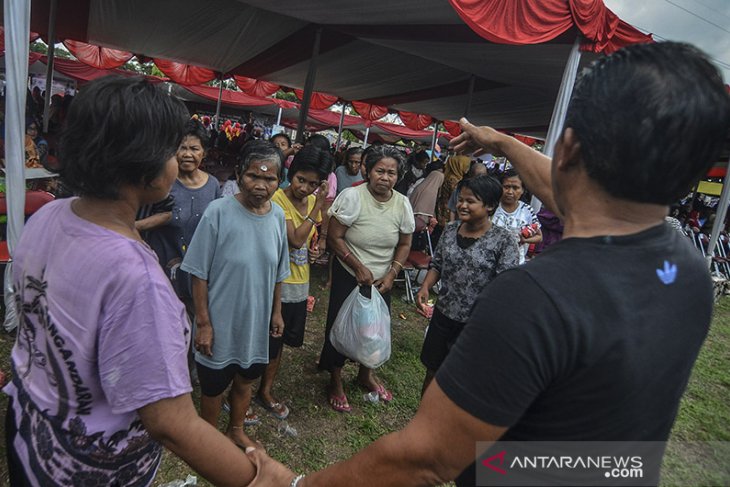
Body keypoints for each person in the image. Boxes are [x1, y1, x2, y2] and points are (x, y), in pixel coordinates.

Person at [244, 41, 730, 487]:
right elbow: (576, 195)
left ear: (569, 148)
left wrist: (298, 485)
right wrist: (499, 143)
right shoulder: (687, 272)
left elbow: (429, 458)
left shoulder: (535, 297)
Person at [3, 76, 257, 486]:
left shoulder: (52, 212)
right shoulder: (135, 278)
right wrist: (264, 477)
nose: (179, 161)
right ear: (146, 165)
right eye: (173, 150)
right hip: (87, 471)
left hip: (29, 429)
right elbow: (170, 423)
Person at [181, 140, 290, 449]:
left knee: (246, 378)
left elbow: (279, 271)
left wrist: (277, 311)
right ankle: (208, 438)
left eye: (269, 179)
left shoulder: (278, 217)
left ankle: (236, 430)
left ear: (278, 180)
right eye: (254, 176)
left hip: (255, 321)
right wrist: (204, 323)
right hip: (219, 319)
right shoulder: (218, 212)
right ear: (240, 174)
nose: (261, 185)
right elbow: (198, 272)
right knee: (214, 385)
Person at [318, 145, 414, 412]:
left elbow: (405, 243)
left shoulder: (402, 203)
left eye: (392, 173)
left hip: (382, 277)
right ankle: (335, 379)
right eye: (380, 171)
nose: (385, 177)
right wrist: (357, 266)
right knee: (341, 324)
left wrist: (392, 272)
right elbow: (335, 237)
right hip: (351, 273)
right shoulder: (352, 197)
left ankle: (365, 374)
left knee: (374, 328)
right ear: (367, 171)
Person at [416, 175, 518, 395]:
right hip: (443, 314)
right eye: (461, 200)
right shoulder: (451, 230)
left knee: (460, 378)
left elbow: (505, 287)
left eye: (470, 201)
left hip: (475, 324)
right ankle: (425, 417)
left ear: (489, 205)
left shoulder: (503, 240)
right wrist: (425, 287)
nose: (462, 205)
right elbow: (438, 264)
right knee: (432, 371)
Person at [256, 145, 331, 419]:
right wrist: (318, 206)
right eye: (301, 179)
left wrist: (317, 246)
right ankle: (252, 390)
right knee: (265, 340)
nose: (305, 188)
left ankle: (265, 389)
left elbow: (309, 238)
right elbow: (296, 238)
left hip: (299, 283)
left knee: (280, 342)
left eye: (313, 184)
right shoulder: (277, 199)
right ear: (291, 172)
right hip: (274, 283)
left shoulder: (312, 202)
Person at [154, 120, 222, 306]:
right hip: (164, 265)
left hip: (199, 271)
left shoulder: (213, 185)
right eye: (182, 148)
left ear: (204, 153)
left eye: (194, 149)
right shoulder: (163, 181)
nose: (187, 154)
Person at [491, 169, 542, 263]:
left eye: (515, 188)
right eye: (506, 187)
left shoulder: (527, 211)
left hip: (516, 262)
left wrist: (525, 240)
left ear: (522, 190)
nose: (510, 192)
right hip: (490, 260)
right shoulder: (491, 207)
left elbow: (539, 236)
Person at [435, 153, 470, 227]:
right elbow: (456, 198)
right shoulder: (453, 180)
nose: (467, 168)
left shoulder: (452, 176)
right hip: (448, 213)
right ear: (458, 165)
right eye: (465, 166)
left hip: (445, 209)